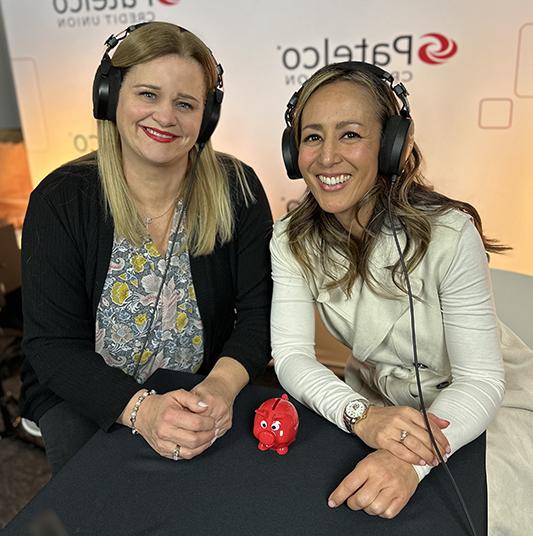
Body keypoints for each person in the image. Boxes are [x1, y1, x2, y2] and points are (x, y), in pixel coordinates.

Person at [271, 61, 533, 532]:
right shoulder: (290, 238)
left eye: (350, 134)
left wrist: (411, 463)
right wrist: (362, 416)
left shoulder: (451, 234)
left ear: (393, 145)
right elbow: (291, 356)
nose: (327, 157)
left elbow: (479, 380)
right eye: (312, 137)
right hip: (375, 398)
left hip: (482, 404)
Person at [20, 21, 273, 474]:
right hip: (81, 392)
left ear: (207, 117)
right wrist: (142, 410)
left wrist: (219, 387)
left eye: (185, 103)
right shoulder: (60, 199)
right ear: (110, 96)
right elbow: (53, 347)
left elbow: (257, 315)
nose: (165, 117)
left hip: (198, 386)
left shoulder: (238, 189)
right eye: (148, 95)